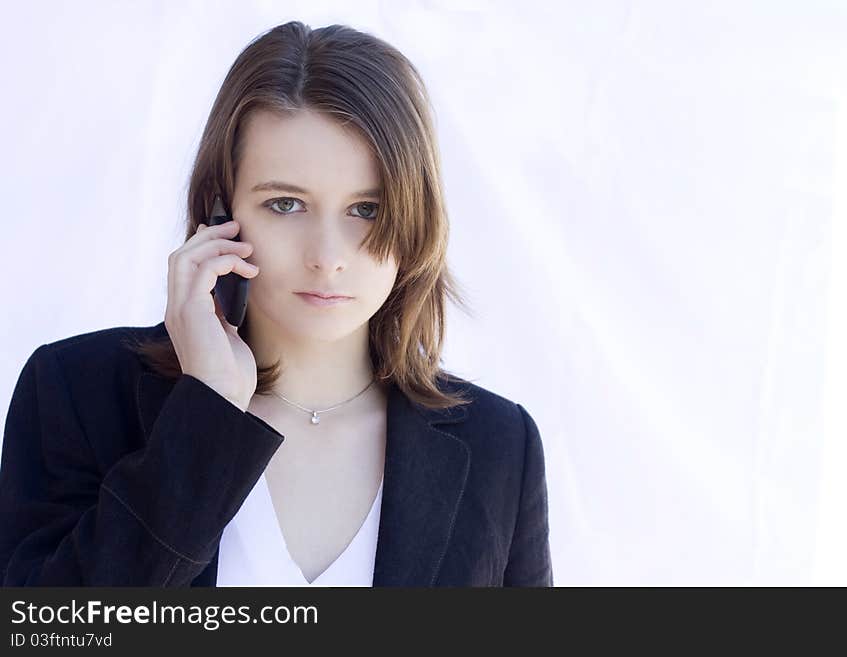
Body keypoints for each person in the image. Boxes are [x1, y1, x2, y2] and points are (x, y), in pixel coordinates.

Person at [0, 20, 552, 587]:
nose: (327, 256)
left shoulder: (498, 447)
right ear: (219, 212)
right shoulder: (76, 392)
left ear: (417, 221)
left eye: (367, 210)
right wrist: (206, 409)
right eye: (286, 204)